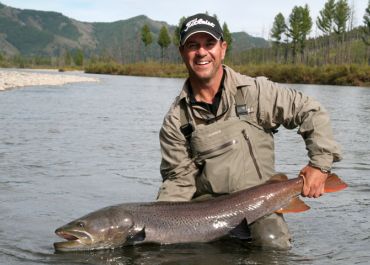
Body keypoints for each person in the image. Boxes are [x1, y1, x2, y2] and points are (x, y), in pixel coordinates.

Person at [156, 13, 342, 249]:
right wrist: (159, 224)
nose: (202, 52)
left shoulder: (256, 92)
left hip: (261, 204)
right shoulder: (176, 120)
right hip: (207, 213)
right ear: (182, 52)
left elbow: (310, 111)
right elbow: (178, 181)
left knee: (272, 245)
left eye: (209, 44)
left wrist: (319, 165)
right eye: (193, 45)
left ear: (223, 49)